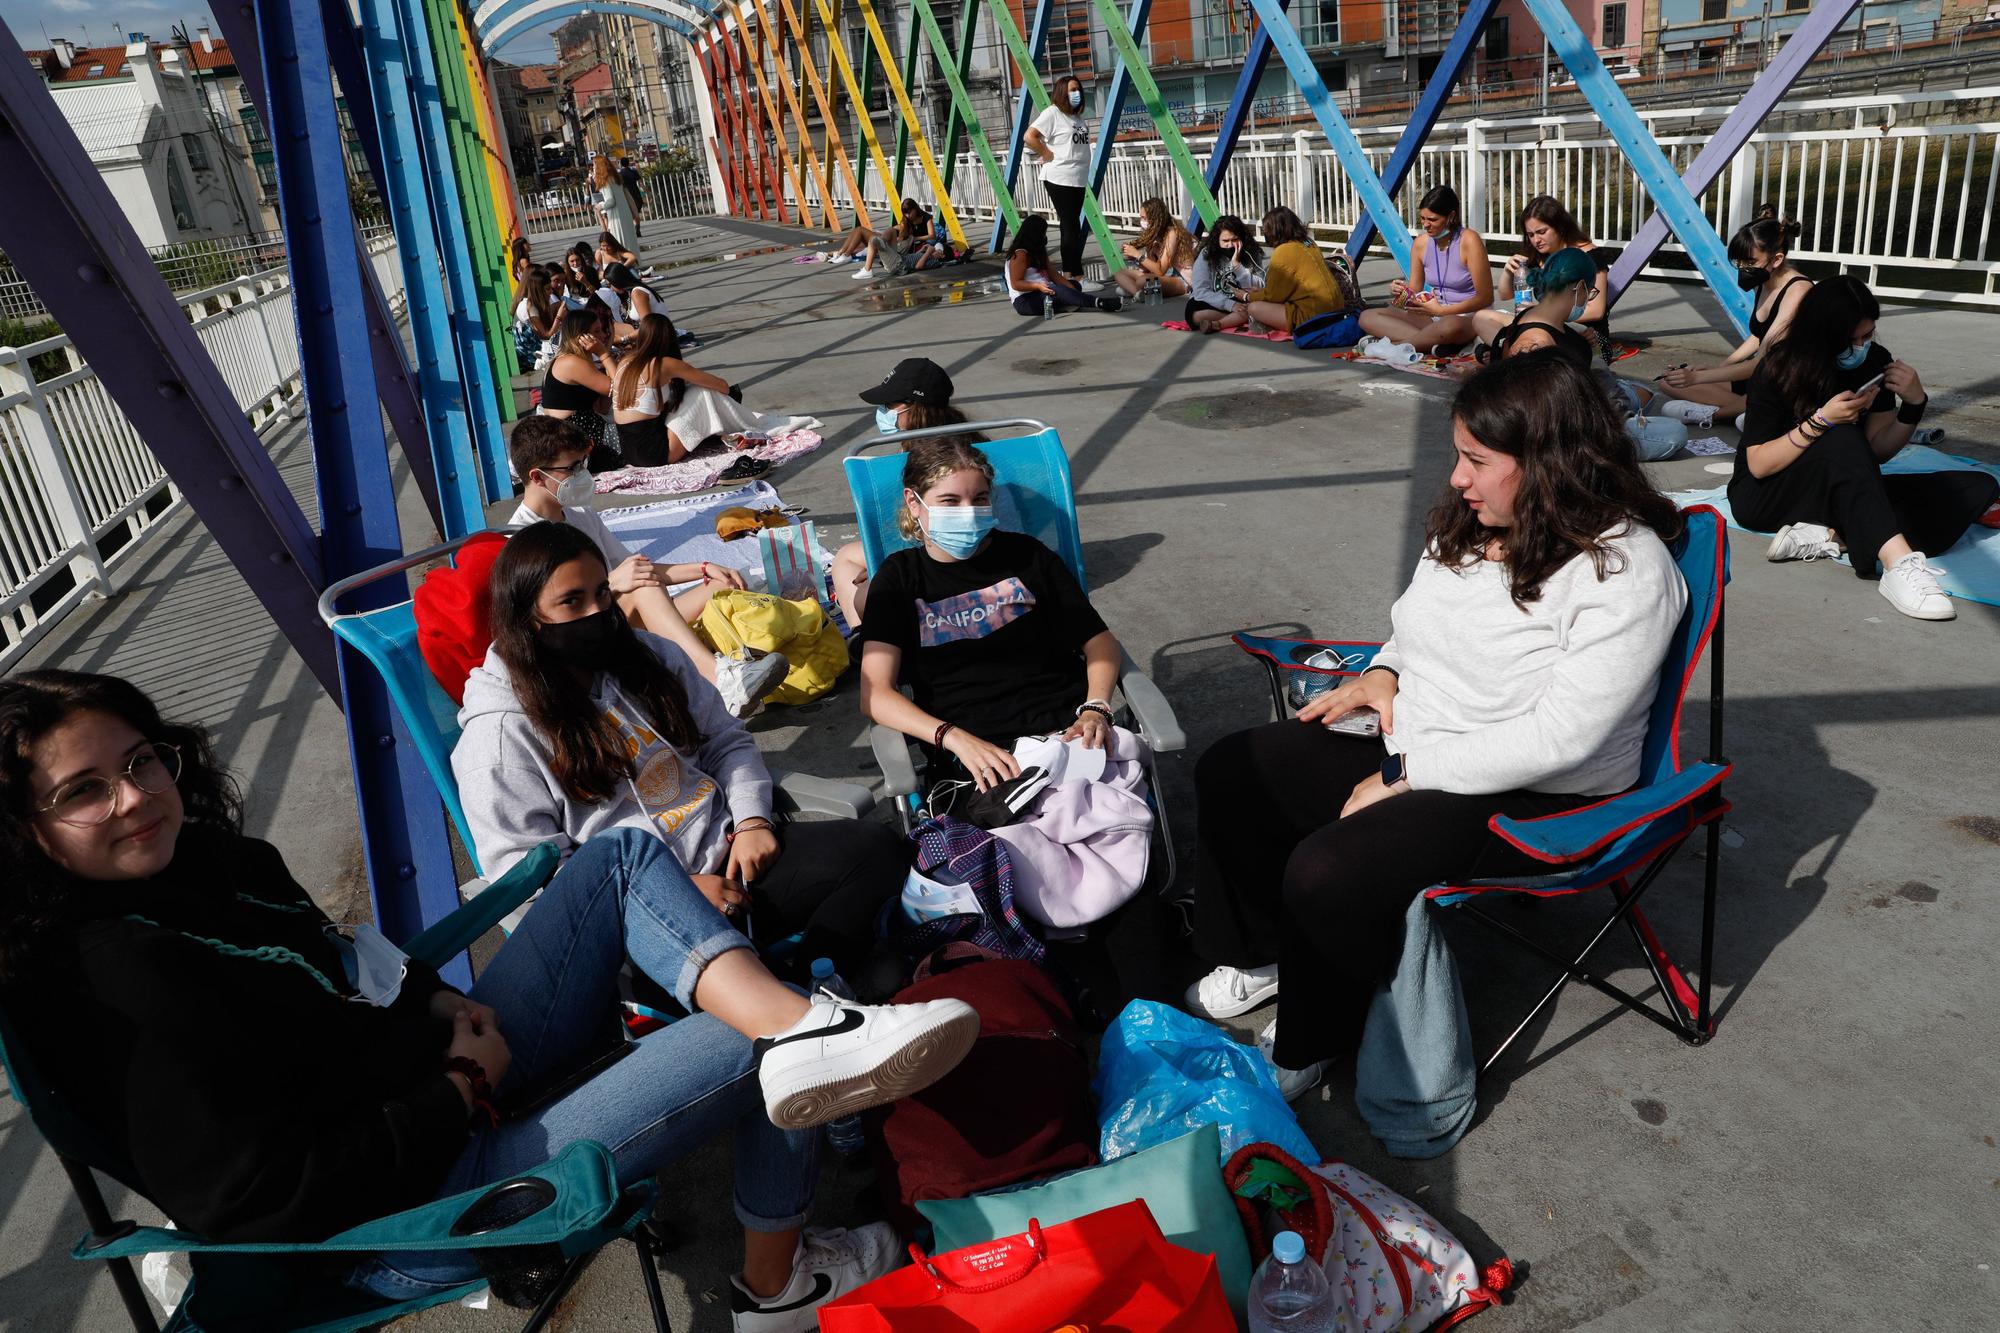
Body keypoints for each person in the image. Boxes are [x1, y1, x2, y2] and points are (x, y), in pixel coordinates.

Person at [0, 670, 981, 1329]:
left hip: (430, 1079)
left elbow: (351, 957)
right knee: (753, 1049)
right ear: (23, 829)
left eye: (139, 760)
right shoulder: (110, 991)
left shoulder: (215, 863)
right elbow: (259, 1199)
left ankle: (809, 1028)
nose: (135, 798)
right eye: (84, 791)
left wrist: (437, 1008)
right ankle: (779, 1282)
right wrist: (460, 1085)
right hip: (397, 1216)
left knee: (620, 857)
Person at [1185, 355, 1687, 1097]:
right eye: (1459, 455)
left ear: (1552, 463)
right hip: (1422, 739)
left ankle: (1314, 1038)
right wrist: (1384, 671)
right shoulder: (1474, 523)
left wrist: (1405, 776)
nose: (1458, 478)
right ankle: (1268, 956)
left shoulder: (1625, 570)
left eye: (1477, 461)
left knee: (1327, 867)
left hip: (1536, 791)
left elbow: (1562, 737)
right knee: (1234, 769)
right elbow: (1414, 627)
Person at [455, 522, 910, 982]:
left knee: (880, 851)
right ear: (527, 617)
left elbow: (726, 740)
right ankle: (804, 996)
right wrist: (675, 892)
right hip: (642, 913)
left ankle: (820, 983)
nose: (596, 612)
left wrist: (752, 819)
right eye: (572, 601)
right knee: (814, 972)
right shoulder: (500, 735)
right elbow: (532, 877)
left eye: (602, 594)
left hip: (732, 856)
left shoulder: (646, 657)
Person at [854, 436, 1123, 794]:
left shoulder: (1027, 556)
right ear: (913, 502)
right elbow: (875, 693)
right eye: (949, 501)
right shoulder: (899, 579)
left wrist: (1096, 707)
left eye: (979, 499)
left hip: (1071, 734)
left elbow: (1098, 639)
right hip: (975, 755)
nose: (968, 511)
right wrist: (952, 738)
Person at [1727, 276, 1995, 622]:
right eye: (1850, 339)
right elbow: (1759, 464)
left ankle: (1833, 536)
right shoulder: (1779, 368)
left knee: (1977, 488)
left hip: (1839, 489)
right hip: (1765, 494)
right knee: (1841, 436)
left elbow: (1875, 452)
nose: (1861, 346)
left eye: (1867, 335)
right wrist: (1821, 422)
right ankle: (1897, 564)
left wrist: (1914, 403)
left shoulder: (1874, 361)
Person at [507, 415, 788, 712]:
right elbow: (550, 617)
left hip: (616, 619)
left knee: (719, 586)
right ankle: (722, 682)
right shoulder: (523, 540)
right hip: (581, 640)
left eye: (582, 465)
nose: (583, 475)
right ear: (537, 477)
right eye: (572, 468)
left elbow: (636, 568)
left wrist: (704, 568)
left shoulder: (581, 515)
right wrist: (610, 585)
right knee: (643, 589)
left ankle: (722, 663)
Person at [1472, 248, 1686, 462]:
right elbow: (1542, 416)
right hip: (1572, 431)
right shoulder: (1538, 345)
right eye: (1591, 292)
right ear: (1580, 287)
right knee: (1674, 433)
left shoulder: (1539, 316)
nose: (1588, 299)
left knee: (1643, 394)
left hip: (1587, 403)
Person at [828, 358, 978, 630]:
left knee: (846, 559)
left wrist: (884, 565)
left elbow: (926, 530)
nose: (883, 411)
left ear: (915, 406)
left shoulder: (920, 460)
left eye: (889, 405)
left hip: (944, 561)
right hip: (985, 546)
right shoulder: (976, 445)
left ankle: (863, 638)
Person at [1654, 210, 1812, 418]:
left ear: (1776, 259)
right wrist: (1718, 367)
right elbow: (1760, 335)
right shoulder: (1765, 281)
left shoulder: (1798, 290)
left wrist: (1699, 379)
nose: (1743, 268)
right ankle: (1745, 412)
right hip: (1760, 376)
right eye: (1739, 263)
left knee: (1700, 382)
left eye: (1750, 262)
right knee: (1669, 381)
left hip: (1785, 379)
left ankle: (1715, 415)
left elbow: (1763, 362)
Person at [609, 313, 813, 467]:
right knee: (702, 392)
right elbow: (721, 385)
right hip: (657, 454)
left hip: (630, 452)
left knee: (690, 392)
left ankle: (729, 428)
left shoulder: (626, 361)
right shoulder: (664, 363)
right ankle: (745, 425)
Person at [1356, 185, 1492, 351]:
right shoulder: (1421, 243)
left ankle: (1397, 346)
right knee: (1367, 317)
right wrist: (1399, 293)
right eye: (1423, 219)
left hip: (1466, 317)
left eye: (1433, 220)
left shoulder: (1469, 240)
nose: (1426, 225)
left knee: (1450, 325)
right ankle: (1432, 343)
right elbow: (1414, 288)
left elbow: (1486, 298)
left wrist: (1443, 311)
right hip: (1433, 314)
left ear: (1451, 217)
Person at [1473, 196, 1613, 356]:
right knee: (1481, 318)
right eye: (1531, 235)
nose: (1536, 240)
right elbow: (1505, 295)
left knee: (1518, 335)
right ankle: (1507, 350)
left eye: (1541, 232)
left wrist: (1542, 313)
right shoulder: (1538, 254)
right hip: (1543, 323)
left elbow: (1596, 311)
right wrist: (1507, 271)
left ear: (1560, 227)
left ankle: (1500, 351)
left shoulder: (1587, 256)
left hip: (1586, 333)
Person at [1230, 207, 1340, 335]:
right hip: (1336, 309)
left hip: (1313, 316)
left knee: (1254, 308)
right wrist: (1259, 293)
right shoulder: (1309, 242)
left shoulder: (1283, 251)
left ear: (1274, 231)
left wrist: (1246, 296)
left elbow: (1273, 296)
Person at [1026, 76, 1093, 282]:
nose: (1077, 93)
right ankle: (1073, 275)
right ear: (1062, 92)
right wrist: (1046, 153)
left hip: (1077, 177)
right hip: (1060, 176)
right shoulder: (1053, 113)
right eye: (1072, 89)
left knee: (1073, 225)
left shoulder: (1076, 117)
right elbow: (1030, 136)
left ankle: (1073, 274)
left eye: (1079, 89)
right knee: (1070, 224)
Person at [538, 307, 622, 467]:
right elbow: (619, 388)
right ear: (581, 337)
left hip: (579, 435)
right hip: (575, 440)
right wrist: (604, 354)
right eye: (597, 331)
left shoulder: (575, 359)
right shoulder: (570, 362)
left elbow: (603, 406)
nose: (603, 335)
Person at [1004, 216, 1121, 316]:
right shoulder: (1020, 254)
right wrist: (1037, 286)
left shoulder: (1038, 250)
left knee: (1074, 286)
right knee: (1058, 291)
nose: (1045, 236)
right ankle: (1100, 302)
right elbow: (1016, 283)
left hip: (1043, 291)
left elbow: (1053, 274)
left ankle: (1065, 303)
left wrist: (1072, 290)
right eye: (1043, 233)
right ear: (1035, 235)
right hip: (1026, 300)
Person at [1183, 214, 1264, 334]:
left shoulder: (1251, 252)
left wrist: (1238, 267)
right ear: (1217, 240)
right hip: (1215, 300)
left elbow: (1260, 285)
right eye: (1225, 241)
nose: (1230, 245)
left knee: (1252, 309)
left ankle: (1218, 324)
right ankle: (1237, 318)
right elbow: (1201, 291)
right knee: (1195, 315)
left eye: (1234, 240)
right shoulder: (1207, 254)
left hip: (1244, 300)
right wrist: (1230, 305)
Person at [1113, 197, 1196, 301]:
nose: (1142, 222)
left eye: (1144, 218)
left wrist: (1138, 255)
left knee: (1142, 281)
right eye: (1141, 218)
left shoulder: (1172, 233)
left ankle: (1135, 290)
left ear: (1155, 219)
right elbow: (1150, 269)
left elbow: (1160, 271)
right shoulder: (1154, 236)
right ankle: (1138, 294)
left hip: (1183, 280)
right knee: (1120, 274)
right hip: (1167, 276)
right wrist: (1136, 259)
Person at [855, 199, 950, 281]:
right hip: (901, 255)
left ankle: (867, 269)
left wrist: (927, 251)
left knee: (873, 240)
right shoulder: (907, 220)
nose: (908, 215)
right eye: (905, 213)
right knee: (890, 231)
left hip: (900, 263)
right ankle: (880, 243)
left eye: (909, 212)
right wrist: (923, 250)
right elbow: (914, 255)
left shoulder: (934, 260)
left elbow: (919, 265)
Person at [512, 266, 561, 373]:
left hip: (538, 351)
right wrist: (559, 317)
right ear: (538, 290)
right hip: (530, 357)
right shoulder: (528, 306)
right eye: (547, 289)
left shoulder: (536, 304)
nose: (550, 292)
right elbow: (545, 335)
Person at [594, 155, 638, 251]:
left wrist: (600, 205)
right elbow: (626, 197)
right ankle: (633, 261)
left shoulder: (605, 181)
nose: (593, 168)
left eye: (594, 165)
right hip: (625, 213)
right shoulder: (616, 178)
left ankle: (624, 264)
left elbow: (611, 201)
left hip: (616, 216)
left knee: (619, 242)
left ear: (599, 167)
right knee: (630, 241)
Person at [617, 155, 646, 235]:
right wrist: (646, 191)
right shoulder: (634, 171)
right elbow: (640, 183)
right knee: (636, 212)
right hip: (636, 193)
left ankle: (633, 227)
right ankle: (637, 227)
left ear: (621, 164)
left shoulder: (620, 174)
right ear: (628, 163)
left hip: (626, 194)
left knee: (630, 213)